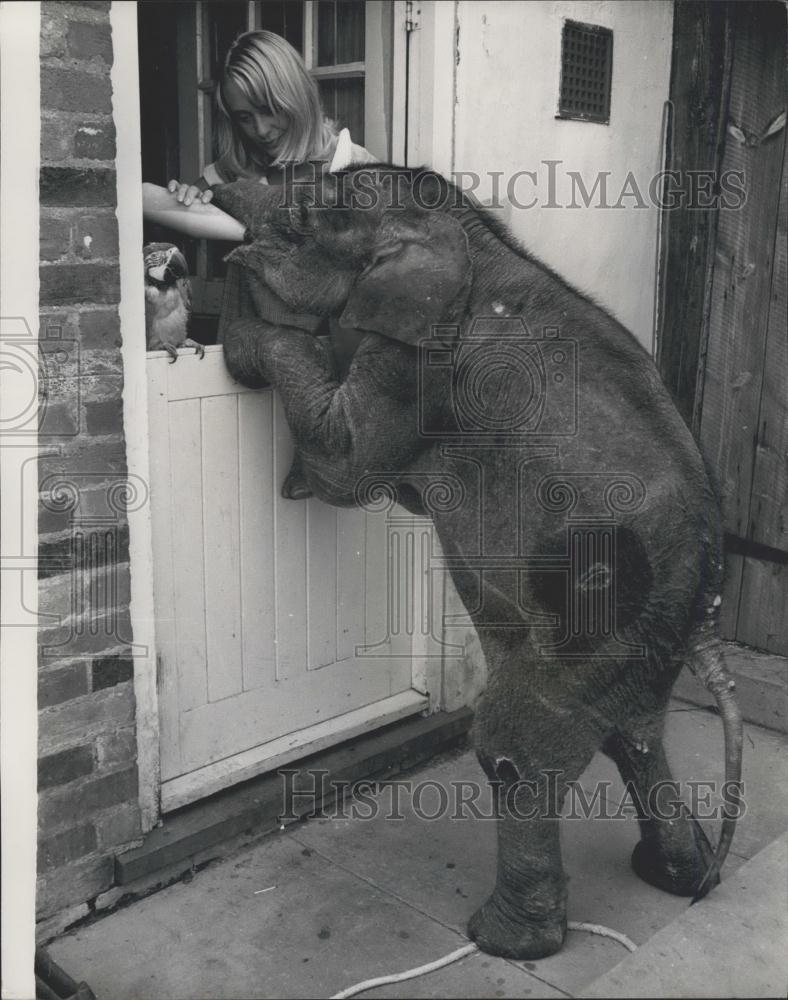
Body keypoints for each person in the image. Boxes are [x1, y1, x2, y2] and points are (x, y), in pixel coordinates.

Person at [148, 29, 377, 498]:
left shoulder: (355, 165)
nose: (262, 130)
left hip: (335, 351)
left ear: (295, 93)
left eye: (270, 109)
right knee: (286, 352)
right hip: (252, 344)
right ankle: (324, 452)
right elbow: (146, 203)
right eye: (245, 117)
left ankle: (331, 450)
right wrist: (186, 200)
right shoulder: (228, 176)